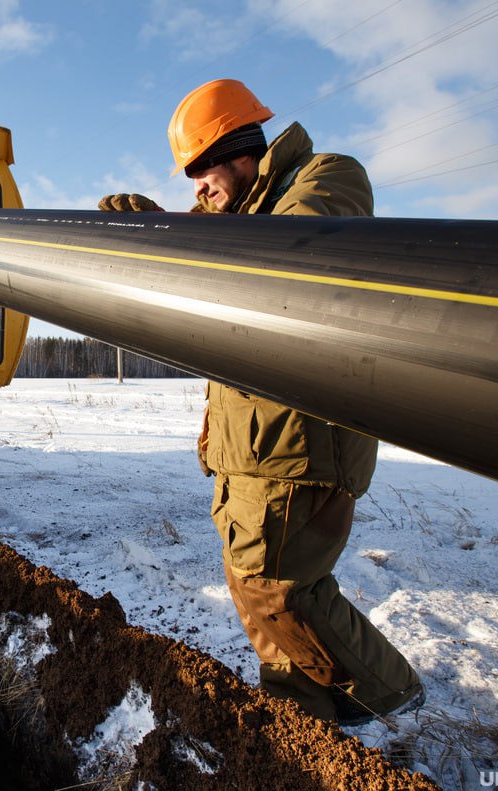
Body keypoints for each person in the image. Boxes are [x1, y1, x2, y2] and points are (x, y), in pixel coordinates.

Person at [99, 78, 422, 725]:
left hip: (300, 451)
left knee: (280, 593)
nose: (197, 188)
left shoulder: (327, 178)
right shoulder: (240, 217)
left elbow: (290, 261)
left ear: (241, 147)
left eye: (201, 169)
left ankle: (379, 698)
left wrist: (174, 231)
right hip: (251, 452)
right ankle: (324, 709)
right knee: (263, 596)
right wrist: (153, 230)